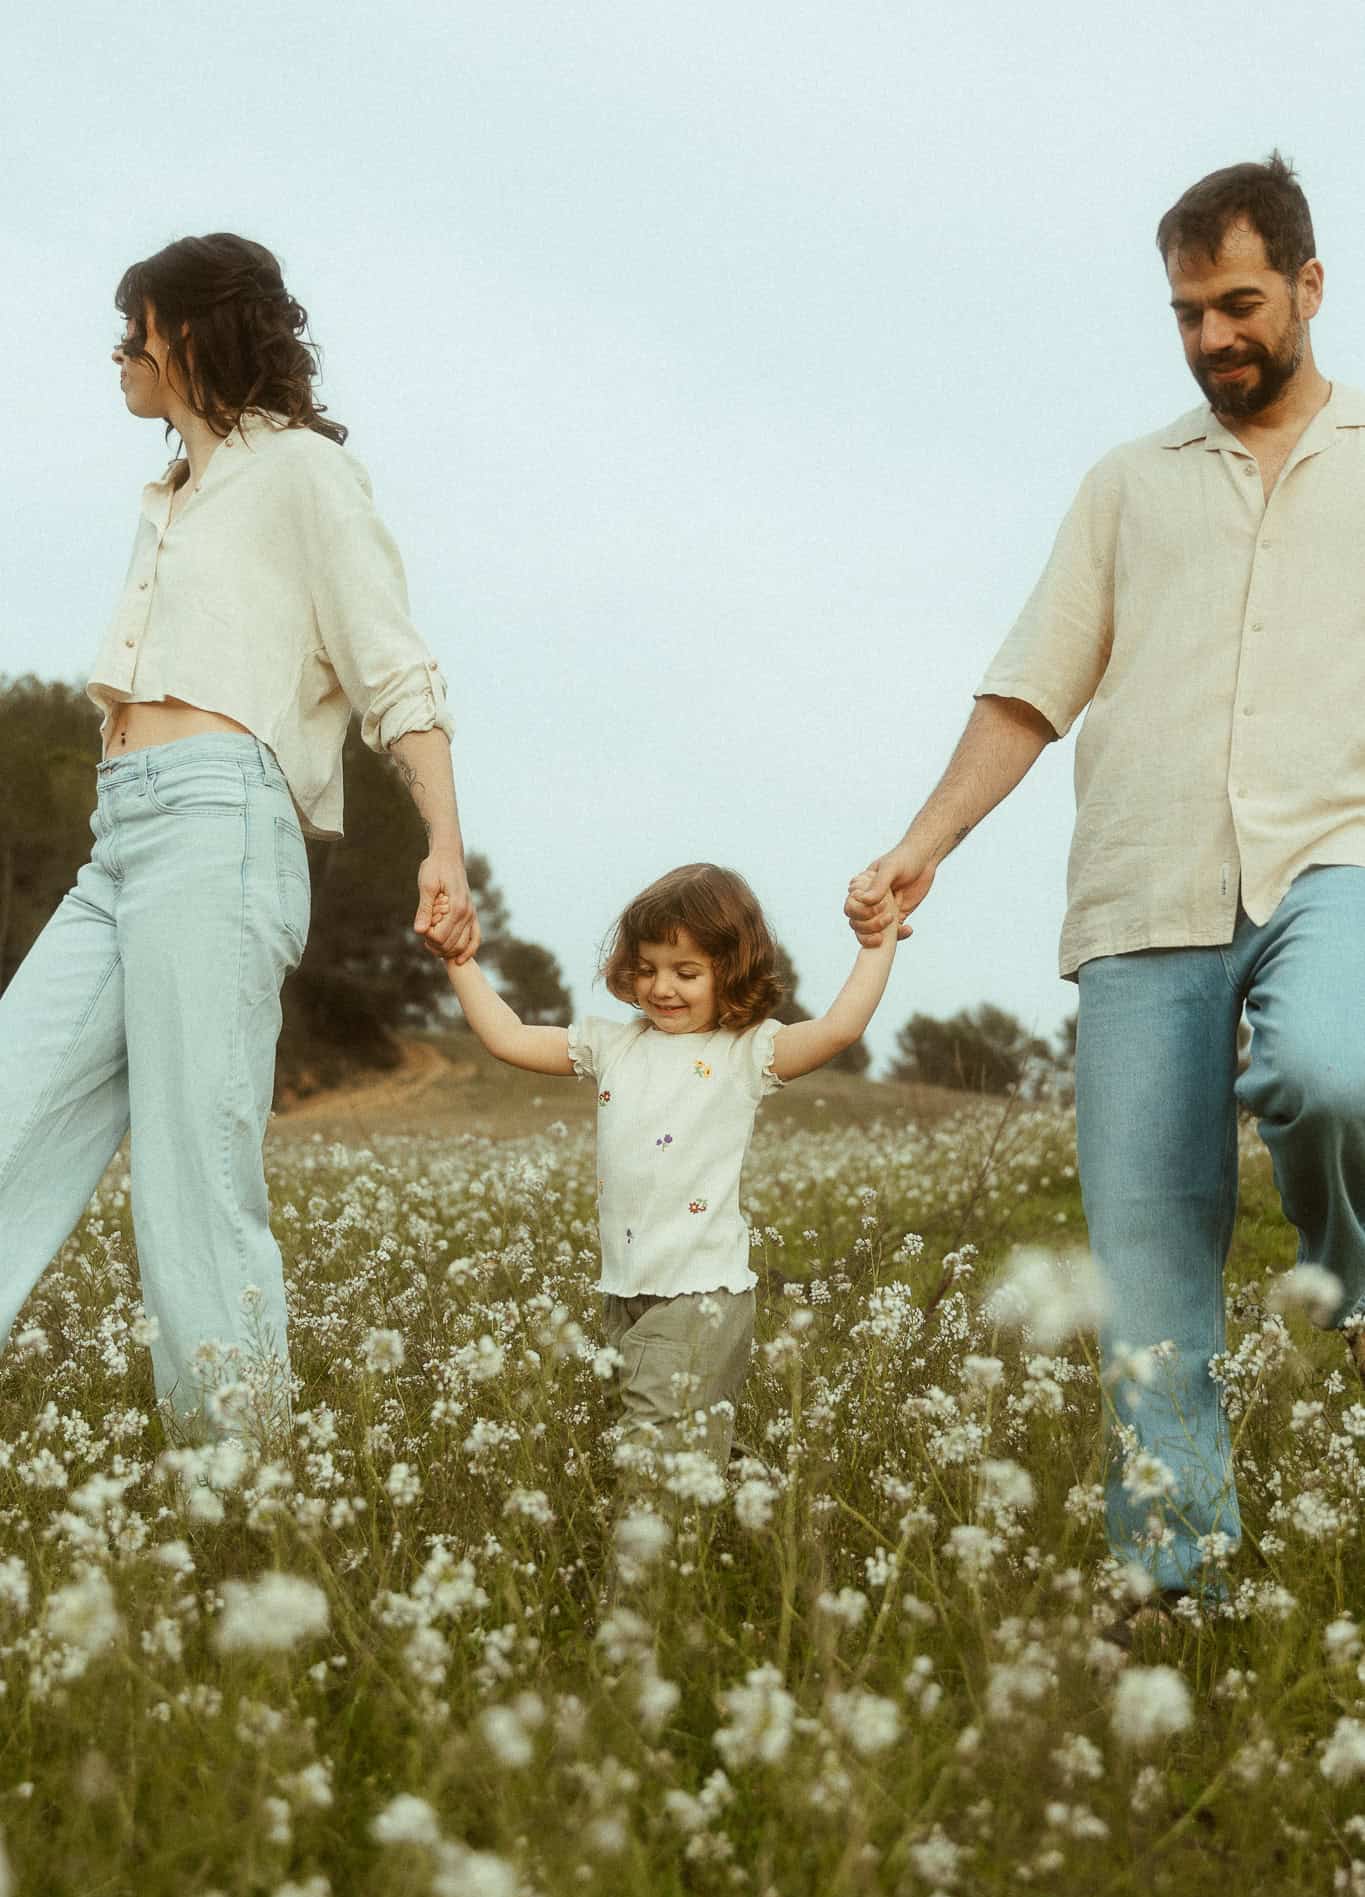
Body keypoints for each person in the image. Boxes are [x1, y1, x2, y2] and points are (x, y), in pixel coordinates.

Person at [846, 151, 1365, 1617]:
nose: (1213, 336)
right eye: (1188, 312)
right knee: (1148, 1275)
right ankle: (1180, 1594)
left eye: (1239, 303)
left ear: (1311, 286)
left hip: (1335, 858)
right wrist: (923, 841)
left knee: (1332, 1070)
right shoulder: (1126, 486)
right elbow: (1030, 687)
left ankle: (1355, 1276)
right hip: (1145, 894)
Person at [0, 232, 479, 1435]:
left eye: (138, 326)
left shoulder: (303, 472)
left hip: (222, 824)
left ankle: (241, 1483)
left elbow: (393, 667)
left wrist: (443, 843)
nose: (119, 350)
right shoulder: (170, 499)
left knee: (192, 1172)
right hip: (122, 838)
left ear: (196, 330)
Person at [444, 862, 898, 1478]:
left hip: (701, 1293)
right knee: (665, 1439)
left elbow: (841, 1028)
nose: (662, 988)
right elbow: (509, 1037)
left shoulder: (746, 1051)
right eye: (647, 968)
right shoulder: (613, 1045)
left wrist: (877, 944)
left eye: (686, 972)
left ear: (730, 972)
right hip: (625, 1292)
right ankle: (749, 1493)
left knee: (657, 1453)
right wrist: (459, 960)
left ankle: (670, 1540)